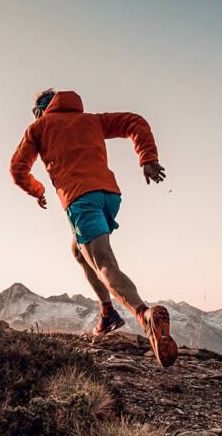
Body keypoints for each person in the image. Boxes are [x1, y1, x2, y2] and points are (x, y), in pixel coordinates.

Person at [10, 88, 178, 367]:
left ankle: (144, 316)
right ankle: (108, 313)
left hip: (80, 198)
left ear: (41, 110)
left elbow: (18, 168)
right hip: (109, 196)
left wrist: (37, 189)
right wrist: (148, 159)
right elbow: (134, 121)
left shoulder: (38, 128)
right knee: (78, 251)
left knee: (103, 263)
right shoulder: (91, 120)